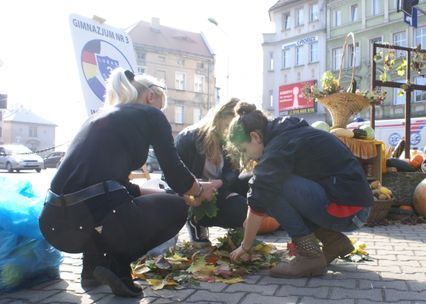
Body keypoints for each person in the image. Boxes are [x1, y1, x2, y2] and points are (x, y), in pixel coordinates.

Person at [38, 68, 221, 297]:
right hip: (92, 215)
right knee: (176, 208)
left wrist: (174, 192)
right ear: (150, 96)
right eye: (160, 107)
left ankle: (91, 268)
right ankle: (117, 264)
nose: (160, 112)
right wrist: (198, 190)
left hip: (55, 223)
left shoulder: (98, 117)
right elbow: (174, 172)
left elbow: (114, 186)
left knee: (111, 206)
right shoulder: (149, 115)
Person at [226, 102, 373, 278]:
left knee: (271, 189)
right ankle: (334, 242)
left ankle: (309, 256)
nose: (247, 155)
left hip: (348, 210)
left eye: (244, 149)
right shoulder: (287, 134)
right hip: (353, 205)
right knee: (270, 186)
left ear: (255, 136)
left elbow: (259, 195)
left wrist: (245, 246)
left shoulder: (278, 146)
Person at [167, 98, 249, 246]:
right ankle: (195, 220)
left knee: (247, 203)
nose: (231, 133)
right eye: (227, 126)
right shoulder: (188, 139)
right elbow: (172, 177)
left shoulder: (231, 141)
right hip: (194, 194)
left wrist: (220, 183)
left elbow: (234, 171)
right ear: (218, 118)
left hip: (219, 191)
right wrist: (197, 188)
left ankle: (238, 229)